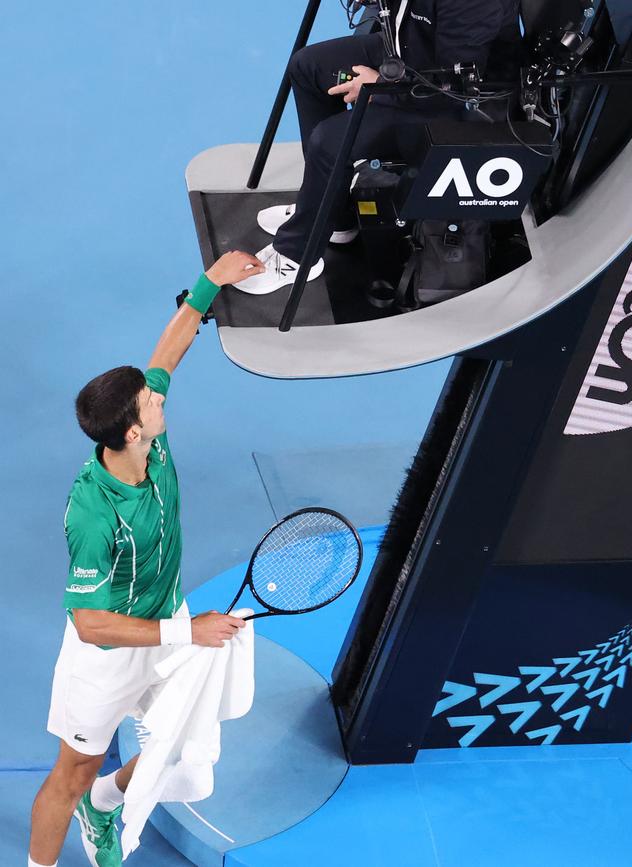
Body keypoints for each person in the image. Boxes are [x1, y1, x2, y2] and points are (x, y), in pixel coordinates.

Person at [28, 249, 265, 867]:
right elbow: (89, 622)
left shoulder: (144, 441)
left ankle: (105, 803)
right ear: (132, 431)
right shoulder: (93, 514)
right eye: (149, 403)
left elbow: (165, 357)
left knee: (189, 762)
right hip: (106, 655)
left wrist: (208, 284)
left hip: (167, 626)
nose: (160, 399)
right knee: (70, 773)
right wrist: (190, 629)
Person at [234, 0, 521, 295]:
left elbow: (453, 88)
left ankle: (298, 254)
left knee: (329, 142)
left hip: (457, 104)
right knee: (308, 67)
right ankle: (334, 216)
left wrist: (381, 85)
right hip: (412, 53)